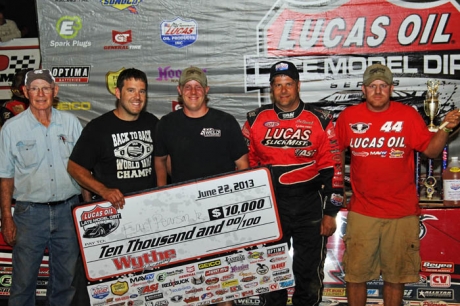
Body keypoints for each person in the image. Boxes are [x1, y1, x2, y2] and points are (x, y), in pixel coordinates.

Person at [335, 63, 460, 306]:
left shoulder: (407, 115)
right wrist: (338, 189)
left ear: (391, 89)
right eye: (373, 86)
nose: (378, 91)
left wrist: (445, 128)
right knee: (355, 276)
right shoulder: (349, 117)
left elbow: (432, 151)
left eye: (383, 86)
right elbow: (336, 152)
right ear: (364, 90)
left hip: (401, 212)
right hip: (363, 211)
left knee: (395, 278)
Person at [242, 61, 344, 306]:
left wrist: (330, 212)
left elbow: (335, 170)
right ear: (271, 89)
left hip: (309, 204)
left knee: (308, 271)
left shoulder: (321, 119)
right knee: (271, 272)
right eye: (278, 85)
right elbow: (245, 168)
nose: (283, 90)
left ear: (298, 86)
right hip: (271, 206)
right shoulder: (255, 120)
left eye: (288, 84)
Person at [154, 66, 249, 306]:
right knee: (188, 281)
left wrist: (239, 203)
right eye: (188, 86)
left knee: (223, 281)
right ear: (179, 91)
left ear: (206, 91)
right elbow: (160, 161)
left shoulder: (225, 122)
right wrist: (161, 197)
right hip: (183, 214)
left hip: (222, 214)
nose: (193, 91)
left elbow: (243, 165)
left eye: (198, 87)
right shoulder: (167, 123)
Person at [0, 69, 83, 305]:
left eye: (45, 87)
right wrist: (6, 216)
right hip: (29, 214)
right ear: (25, 92)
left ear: (55, 91)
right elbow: (5, 176)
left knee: (65, 281)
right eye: (34, 88)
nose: (40, 93)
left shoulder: (71, 123)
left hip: (68, 211)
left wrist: (87, 207)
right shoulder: (11, 129)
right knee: (23, 281)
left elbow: (83, 169)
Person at [68, 68, 159, 209]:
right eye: (131, 90)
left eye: (142, 91)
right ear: (118, 93)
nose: (137, 97)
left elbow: (163, 162)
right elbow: (75, 168)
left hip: (148, 206)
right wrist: (103, 190)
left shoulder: (152, 122)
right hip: (112, 209)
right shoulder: (98, 128)